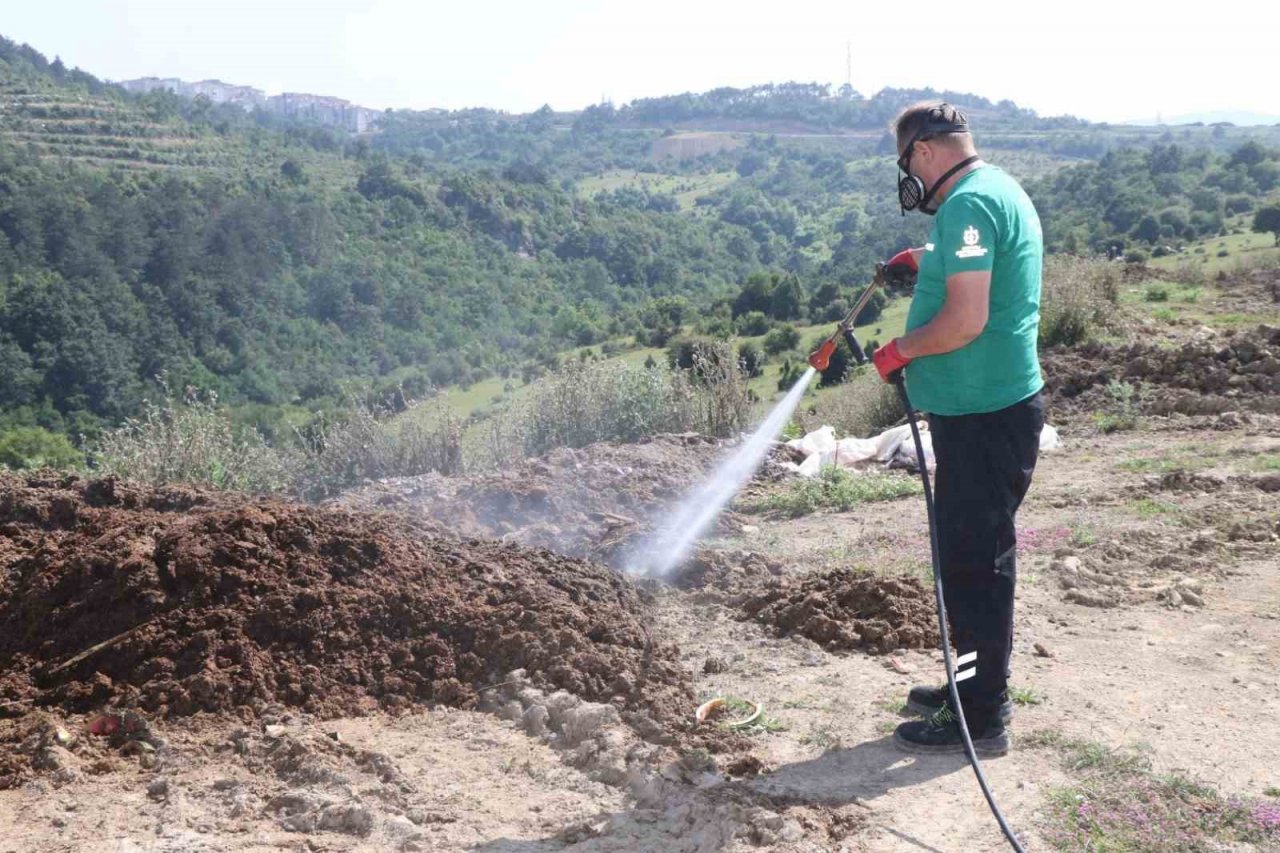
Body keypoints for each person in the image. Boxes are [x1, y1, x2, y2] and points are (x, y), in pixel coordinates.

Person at [871, 102, 1045, 757]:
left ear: (925, 152)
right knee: (970, 560)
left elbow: (965, 321)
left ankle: (979, 713)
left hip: (982, 417)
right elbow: (974, 267)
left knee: (974, 568)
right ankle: (968, 688)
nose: (907, 176)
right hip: (988, 413)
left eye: (905, 161)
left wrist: (902, 350)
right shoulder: (991, 189)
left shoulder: (967, 206)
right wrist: (924, 258)